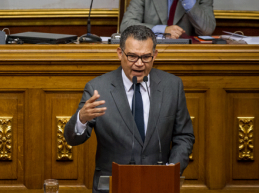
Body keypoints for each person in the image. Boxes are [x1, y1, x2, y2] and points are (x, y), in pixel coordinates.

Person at [64, 25, 194, 193]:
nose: (139, 64)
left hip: (159, 185)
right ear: (120, 53)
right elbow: (72, 139)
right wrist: (81, 119)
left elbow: (184, 136)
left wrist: (171, 169)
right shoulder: (98, 88)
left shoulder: (172, 86)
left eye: (146, 57)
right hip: (113, 186)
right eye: (132, 56)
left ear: (154, 55)